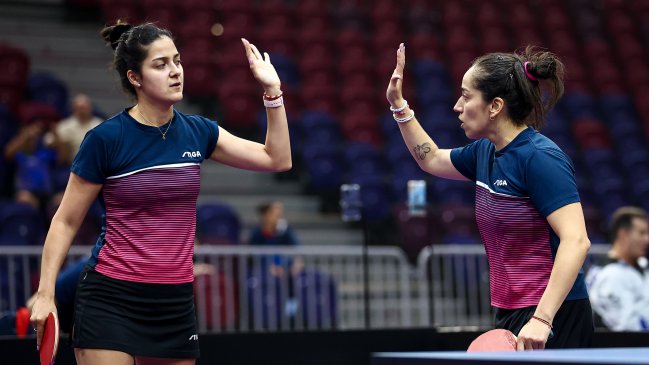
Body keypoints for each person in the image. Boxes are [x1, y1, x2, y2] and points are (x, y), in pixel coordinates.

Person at [29, 20, 291, 365]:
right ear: (134, 77)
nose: (175, 72)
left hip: (173, 302)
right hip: (111, 296)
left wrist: (272, 93)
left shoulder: (198, 131)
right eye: (160, 64)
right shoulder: (106, 139)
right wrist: (45, 294)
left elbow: (277, 158)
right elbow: (65, 221)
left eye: (177, 61)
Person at [386, 44, 592, 350]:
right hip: (510, 309)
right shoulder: (485, 152)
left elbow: (576, 240)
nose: (457, 106)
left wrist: (543, 318)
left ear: (495, 106)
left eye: (467, 96)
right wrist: (399, 106)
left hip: (553, 313)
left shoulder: (540, 157)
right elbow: (431, 159)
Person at [586, 206, 649, 331]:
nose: (647, 239)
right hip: (627, 347)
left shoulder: (642, 264)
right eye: (642, 233)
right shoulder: (609, 275)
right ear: (623, 234)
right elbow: (627, 327)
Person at [249, 201, 303, 277]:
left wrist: (298, 262)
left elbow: (296, 247)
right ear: (266, 214)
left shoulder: (285, 229)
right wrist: (270, 266)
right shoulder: (257, 232)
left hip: (284, 266)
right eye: (277, 215)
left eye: (280, 216)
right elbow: (255, 254)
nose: (279, 219)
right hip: (263, 270)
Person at [50, 93, 102, 165]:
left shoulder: (99, 124)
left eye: (84, 107)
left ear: (90, 108)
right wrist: (58, 140)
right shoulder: (65, 125)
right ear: (73, 109)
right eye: (79, 108)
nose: (82, 111)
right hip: (72, 166)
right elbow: (49, 141)